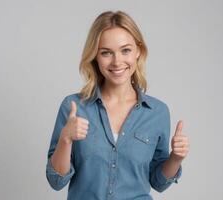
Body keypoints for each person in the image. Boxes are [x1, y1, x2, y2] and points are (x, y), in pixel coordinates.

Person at [46, 10, 189, 200]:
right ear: (95, 56)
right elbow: (56, 182)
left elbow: (159, 183)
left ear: (138, 51)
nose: (117, 61)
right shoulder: (73, 107)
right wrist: (65, 139)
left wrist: (176, 158)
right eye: (106, 53)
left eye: (125, 50)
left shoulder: (157, 112)